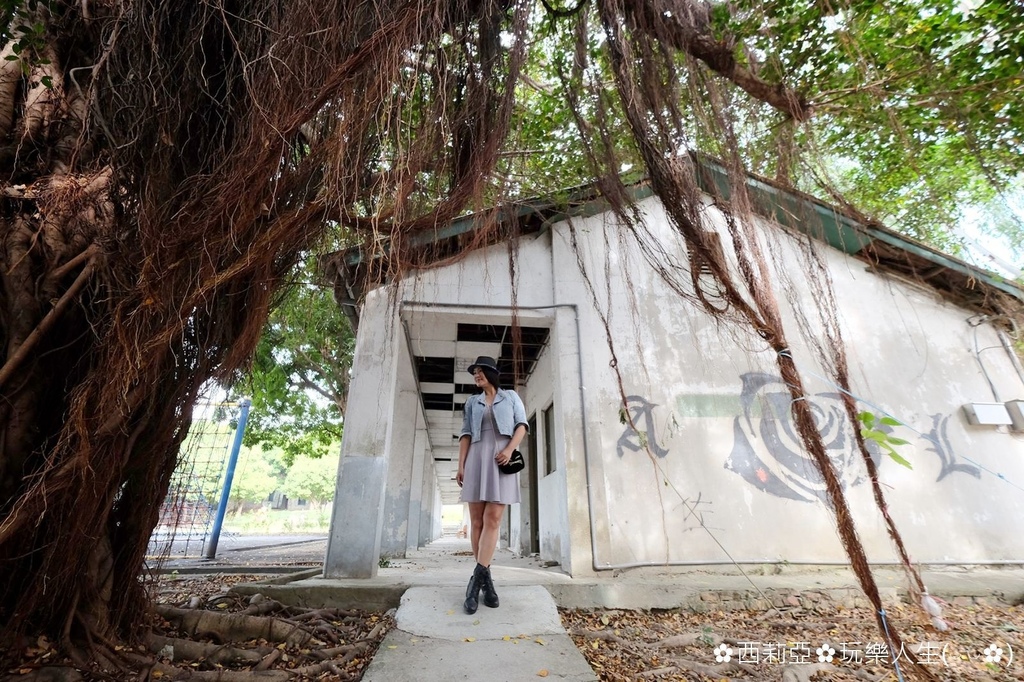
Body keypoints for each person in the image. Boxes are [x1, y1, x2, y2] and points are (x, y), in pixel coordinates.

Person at [456, 355, 527, 615]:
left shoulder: (510, 397)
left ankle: (476, 583)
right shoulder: (471, 402)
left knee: (493, 518)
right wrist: (461, 464)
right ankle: (486, 581)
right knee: (476, 522)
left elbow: (522, 425)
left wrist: (509, 449)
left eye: (480, 371)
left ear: (491, 373)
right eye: (474, 372)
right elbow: (465, 434)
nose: (476, 375)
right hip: (477, 457)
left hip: (502, 459)